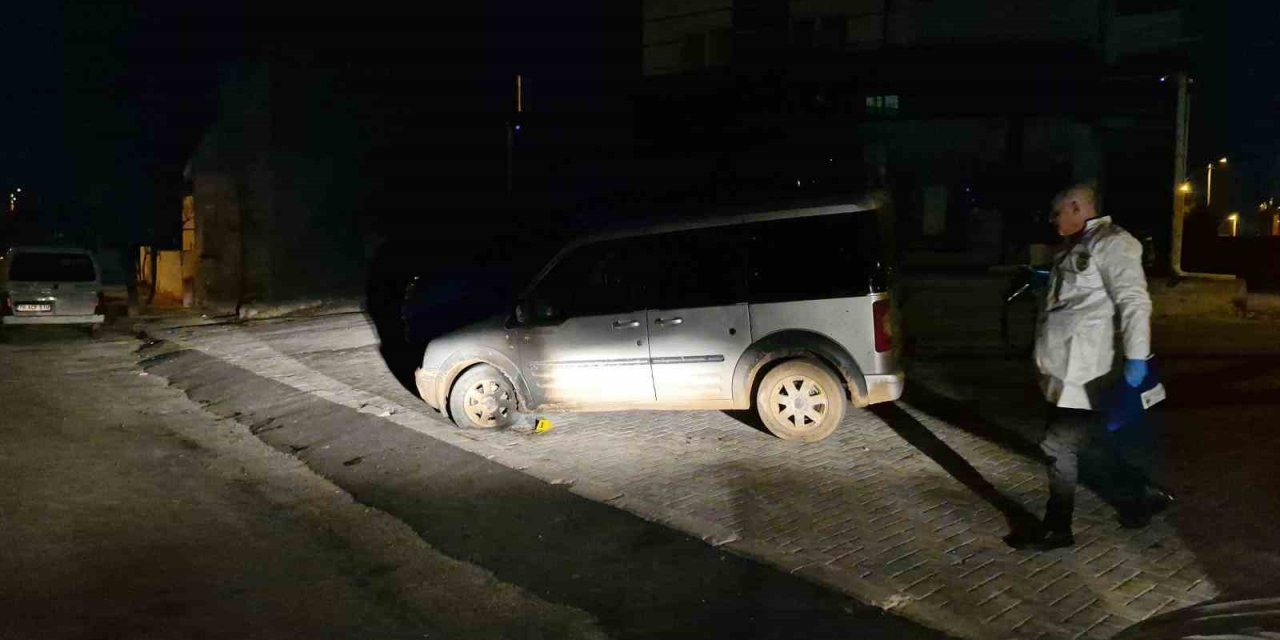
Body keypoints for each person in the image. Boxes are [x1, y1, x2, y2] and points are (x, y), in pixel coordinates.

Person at [1006, 182, 1173, 551]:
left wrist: (1136, 358)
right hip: (1064, 371)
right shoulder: (1078, 246)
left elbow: (1133, 301)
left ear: (1077, 207)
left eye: (1057, 213)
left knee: (1057, 444)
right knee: (1092, 443)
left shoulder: (1113, 242)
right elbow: (1078, 298)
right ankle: (1139, 497)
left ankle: (1057, 527)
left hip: (1084, 372)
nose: (1052, 221)